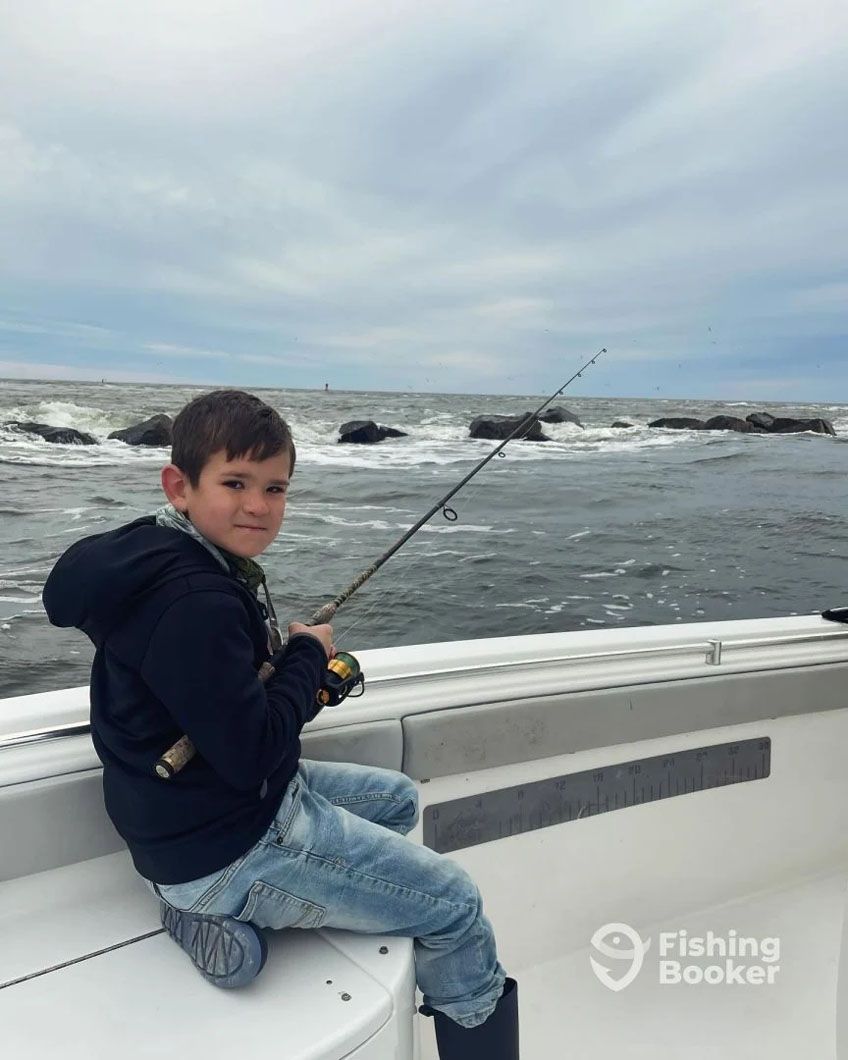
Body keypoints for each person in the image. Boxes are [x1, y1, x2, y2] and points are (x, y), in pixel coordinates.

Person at [42, 388, 518, 1059]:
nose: (259, 506)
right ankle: (206, 902)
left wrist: (289, 662)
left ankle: (199, 900)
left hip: (179, 813)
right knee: (456, 903)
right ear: (180, 485)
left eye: (276, 487)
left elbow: (222, 705)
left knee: (400, 800)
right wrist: (305, 655)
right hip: (227, 841)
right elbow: (254, 752)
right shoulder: (194, 601)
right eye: (235, 483)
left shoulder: (147, 554)